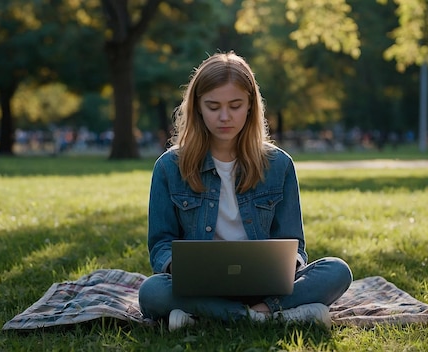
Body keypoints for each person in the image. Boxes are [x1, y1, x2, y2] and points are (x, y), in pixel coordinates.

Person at [138, 52, 352, 331]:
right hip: (200, 288)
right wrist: (179, 269)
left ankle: (213, 317)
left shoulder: (279, 165)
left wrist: (286, 268)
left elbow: (294, 244)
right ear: (197, 107)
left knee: (337, 271)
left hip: (265, 288)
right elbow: (160, 245)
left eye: (235, 105)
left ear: (251, 106)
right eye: (213, 106)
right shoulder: (169, 167)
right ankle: (270, 317)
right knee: (152, 291)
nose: (224, 117)